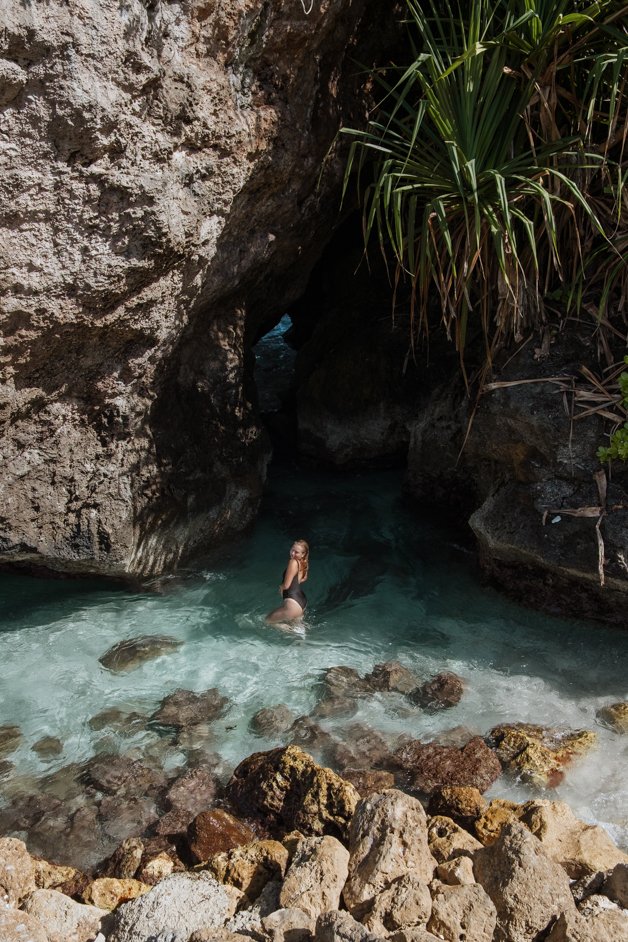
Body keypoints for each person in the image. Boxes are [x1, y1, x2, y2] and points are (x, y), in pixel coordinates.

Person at [265, 539, 309, 624]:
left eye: (296, 552)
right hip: (302, 601)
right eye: (292, 550)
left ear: (303, 554)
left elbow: (286, 585)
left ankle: (288, 629)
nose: (292, 553)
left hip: (293, 604)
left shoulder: (293, 562)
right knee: (296, 628)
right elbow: (303, 579)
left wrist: (281, 588)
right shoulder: (303, 563)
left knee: (267, 621)